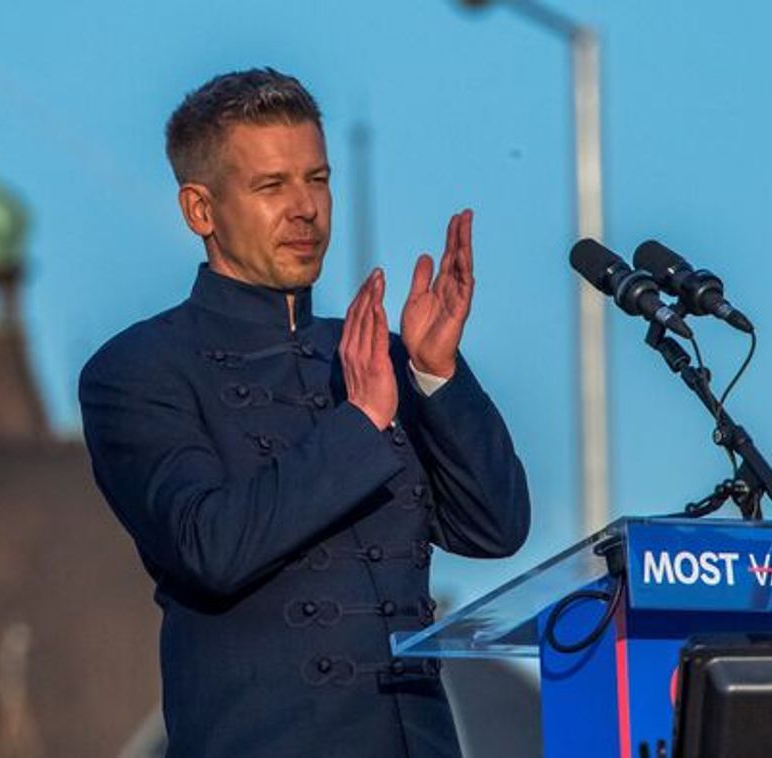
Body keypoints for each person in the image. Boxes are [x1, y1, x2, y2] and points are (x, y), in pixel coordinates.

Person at [79, 68, 530, 757]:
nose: (305, 209)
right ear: (200, 210)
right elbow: (209, 548)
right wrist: (360, 423)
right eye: (271, 186)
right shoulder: (140, 369)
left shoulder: (378, 358)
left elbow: (494, 528)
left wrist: (435, 373)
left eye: (316, 180)